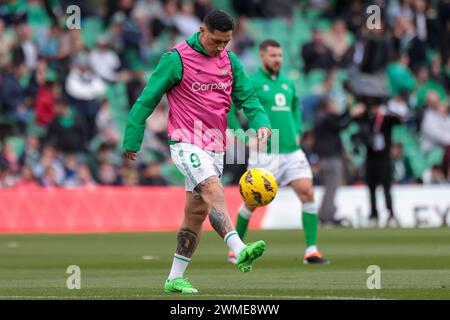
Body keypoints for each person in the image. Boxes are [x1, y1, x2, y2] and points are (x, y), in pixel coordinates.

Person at [122, 10, 272, 294]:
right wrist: (133, 138)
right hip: (185, 141)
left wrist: (261, 123)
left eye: (226, 42)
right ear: (202, 30)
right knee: (213, 189)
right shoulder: (176, 59)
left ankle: (173, 278)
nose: (220, 47)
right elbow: (146, 100)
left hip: (216, 145)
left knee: (196, 215)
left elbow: (247, 97)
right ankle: (238, 247)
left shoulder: (229, 60)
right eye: (216, 41)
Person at [228, 40, 329, 265]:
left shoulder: (287, 83)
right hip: (266, 151)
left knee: (307, 192)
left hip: (292, 150)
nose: (277, 60)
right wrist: (243, 137)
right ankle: (235, 248)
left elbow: (295, 107)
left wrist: (298, 130)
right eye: (273, 55)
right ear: (262, 56)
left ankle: (311, 250)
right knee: (252, 202)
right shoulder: (251, 82)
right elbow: (229, 111)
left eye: (280, 55)